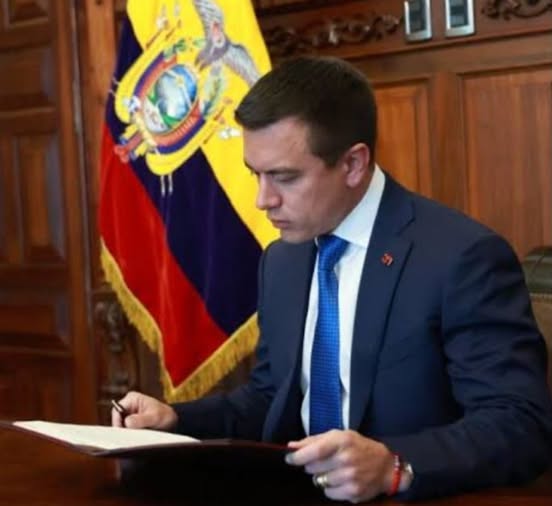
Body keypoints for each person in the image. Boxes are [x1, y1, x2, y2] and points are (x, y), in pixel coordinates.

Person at [112, 56, 552, 502]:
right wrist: (176, 420)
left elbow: (520, 424)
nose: (263, 200)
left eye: (284, 177)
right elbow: (270, 398)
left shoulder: (462, 257)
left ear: (353, 164)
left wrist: (394, 465)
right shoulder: (282, 259)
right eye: (255, 175)